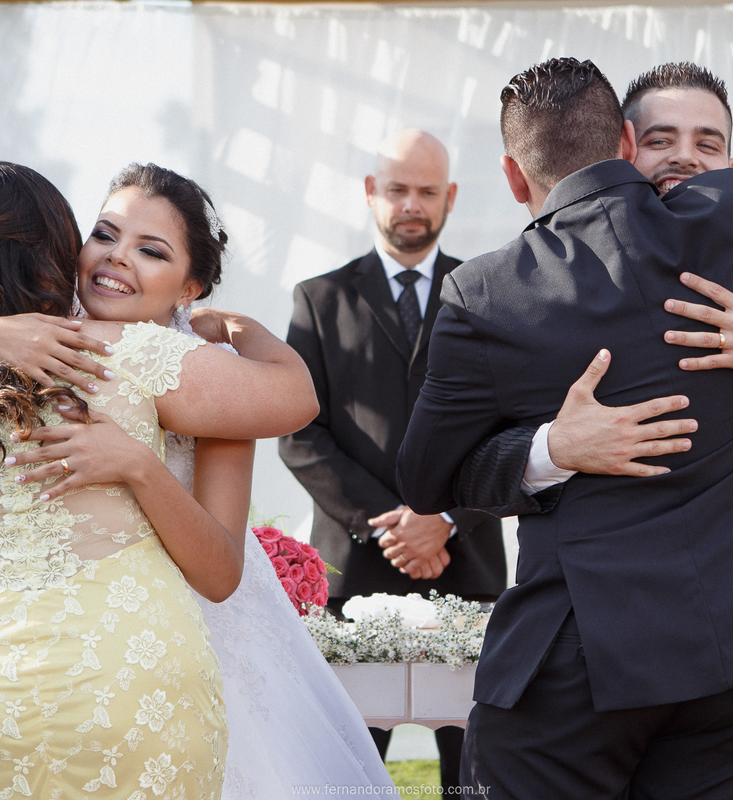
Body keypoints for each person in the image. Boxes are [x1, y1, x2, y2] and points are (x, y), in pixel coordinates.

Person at [396, 58, 733, 799]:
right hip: (591, 653)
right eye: (664, 138)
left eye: (709, 142)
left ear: (731, 159)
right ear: (626, 146)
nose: (687, 156)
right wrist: (549, 451)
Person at [0, 163, 397, 798]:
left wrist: (226, 342)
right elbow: (293, 396)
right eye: (103, 234)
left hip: (2, 678)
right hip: (139, 676)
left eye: (152, 250)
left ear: (190, 287)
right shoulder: (105, 350)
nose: (117, 258)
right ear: (63, 250)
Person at [278, 128, 506, 790]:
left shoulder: (490, 293)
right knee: (351, 766)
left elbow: (513, 426)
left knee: (473, 775)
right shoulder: (318, 300)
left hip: (468, 566)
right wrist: (393, 521)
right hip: (356, 573)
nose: (413, 204)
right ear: (371, 192)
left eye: (427, 191)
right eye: (398, 189)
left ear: (451, 197)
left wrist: (446, 518)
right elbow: (300, 432)